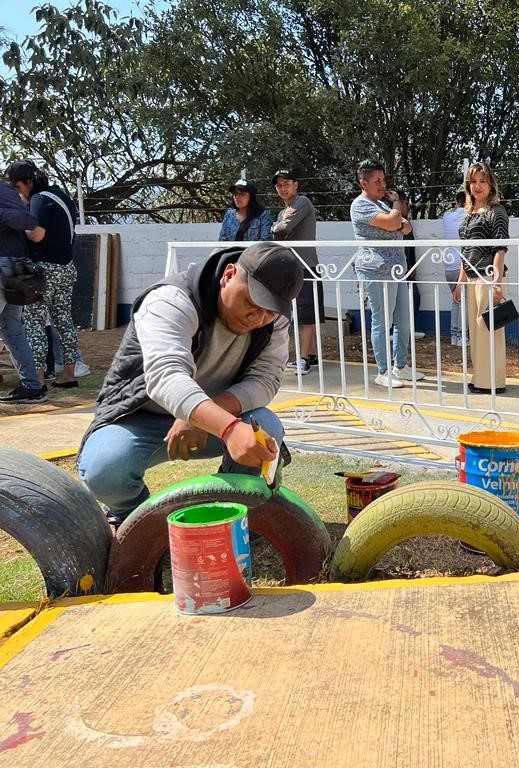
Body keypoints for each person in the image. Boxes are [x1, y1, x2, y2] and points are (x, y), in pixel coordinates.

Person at [77, 241, 305, 527]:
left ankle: (234, 514)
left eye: (269, 312)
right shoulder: (170, 300)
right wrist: (229, 427)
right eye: (251, 303)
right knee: (104, 468)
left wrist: (206, 417)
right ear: (229, 275)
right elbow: (166, 376)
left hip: (215, 418)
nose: (257, 318)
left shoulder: (274, 321)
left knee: (265, 426)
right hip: (140, 419)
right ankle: (136, 522)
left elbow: (266, 379)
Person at [350, 160, 421, 388]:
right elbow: (394, 223)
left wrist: (395, 216)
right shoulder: (361, 205)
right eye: (377, 181)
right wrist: (396, 210)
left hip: (396, 269)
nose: (382, 184)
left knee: (403, 318)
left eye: (383, 179)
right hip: (376, 270)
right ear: (363, 183)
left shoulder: (381, 204)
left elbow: (406, 227)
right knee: (382, 320)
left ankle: (400, 366)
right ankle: (382, 371)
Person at [21, 165, 82, 389]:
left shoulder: (39, 200)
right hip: (67, 267)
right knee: (64, 320)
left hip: (44, 271)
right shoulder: (62, 197)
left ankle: (37, 378)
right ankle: (69, 374)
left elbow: (36, 235)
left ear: (28, 183)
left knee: (34, 322)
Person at [455, 161, 509, 394]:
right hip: (472, 278)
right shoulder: (467, 214)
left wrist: (496, 284)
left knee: (490, 330)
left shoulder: (496, 212)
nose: (477, 186)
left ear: (490, 184)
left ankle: (492, 382)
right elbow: (464, 251)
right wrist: (460, 282)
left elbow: (500, 249)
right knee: (476, 332)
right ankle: (480, 378)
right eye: (473, 181)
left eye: (482, 181)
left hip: (488, 277)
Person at [0, 160, 46, 404]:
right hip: (16, 269)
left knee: (13, 330)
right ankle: (32, 386)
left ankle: (32, 386)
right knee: (12, 329)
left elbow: (13, 219)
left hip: (4, 266)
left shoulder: (7, 195)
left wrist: (28, 221)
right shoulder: (16, 197)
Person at [271, 168, 323, 374]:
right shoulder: (282, 212)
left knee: (306, 314)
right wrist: (279, 223)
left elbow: (283, 230)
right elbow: (278, 233)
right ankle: (310, 355)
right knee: (296, 313)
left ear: (296, 185)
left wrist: (279, 225)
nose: (283, 188)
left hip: (306, 266)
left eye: (286, 184)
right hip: (292, 266)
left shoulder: (302, 202)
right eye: (279, 185)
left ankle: (303, 359)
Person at [396, 190, 425, 340]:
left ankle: (409, 329)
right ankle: (396, 331)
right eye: (406, 203)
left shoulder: (407, 224)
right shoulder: (394, 223)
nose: (408, 207)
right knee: (397, 301)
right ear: (399, 203)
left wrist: (413, 266)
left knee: (414, 297)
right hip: (396, 269)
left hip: (408, 269)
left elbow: (411, 248)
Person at [442, 191, 467, 346]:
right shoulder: (468, 216)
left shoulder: (447, 216)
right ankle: (462, 337)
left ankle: (454, 336)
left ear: (456, 202)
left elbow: (451, 211)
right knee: (464, 303)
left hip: (448, 265)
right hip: (461, 265)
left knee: (456, 301)